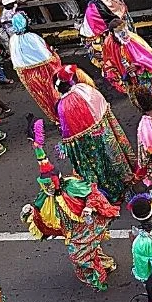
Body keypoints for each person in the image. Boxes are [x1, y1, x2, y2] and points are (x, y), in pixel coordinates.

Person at [21, 121, 119, 291]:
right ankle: (105, 264)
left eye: (50, 185)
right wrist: (29, 212)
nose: (48, 189)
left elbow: (92, 193)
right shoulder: (45, 197)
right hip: (73, 232)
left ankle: (97, 276)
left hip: (89, 226)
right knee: (87, 252)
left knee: (78, 257)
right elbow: (40, 214)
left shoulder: (71, 185)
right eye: (45, 186)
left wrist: (89, 207)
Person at [54, 68, 135, 203]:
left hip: (88, 144)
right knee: (112, 156)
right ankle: (125, 176)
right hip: (105, 133)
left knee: (101, 165)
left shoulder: (62, 106)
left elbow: (69, 136)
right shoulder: (84, 89)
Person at [100, 16, 152, 106]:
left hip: (143, 76)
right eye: (119, 31)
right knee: (139, 101)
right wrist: (117, 75)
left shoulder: (133, 39)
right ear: (112, 33)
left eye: (125, 28)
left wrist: (138, 65)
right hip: (128, 78)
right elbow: (108, 60)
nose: (124, 33)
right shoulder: (108, 43)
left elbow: (150, 57)